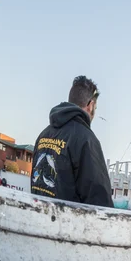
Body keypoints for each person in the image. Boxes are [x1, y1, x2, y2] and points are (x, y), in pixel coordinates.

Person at [31, 75, 113, 207]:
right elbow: (99, 201)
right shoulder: (86, 139)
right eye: (95, 108)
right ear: (90, 105)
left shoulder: (44, 135)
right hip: (67, 225)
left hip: (39, 221)